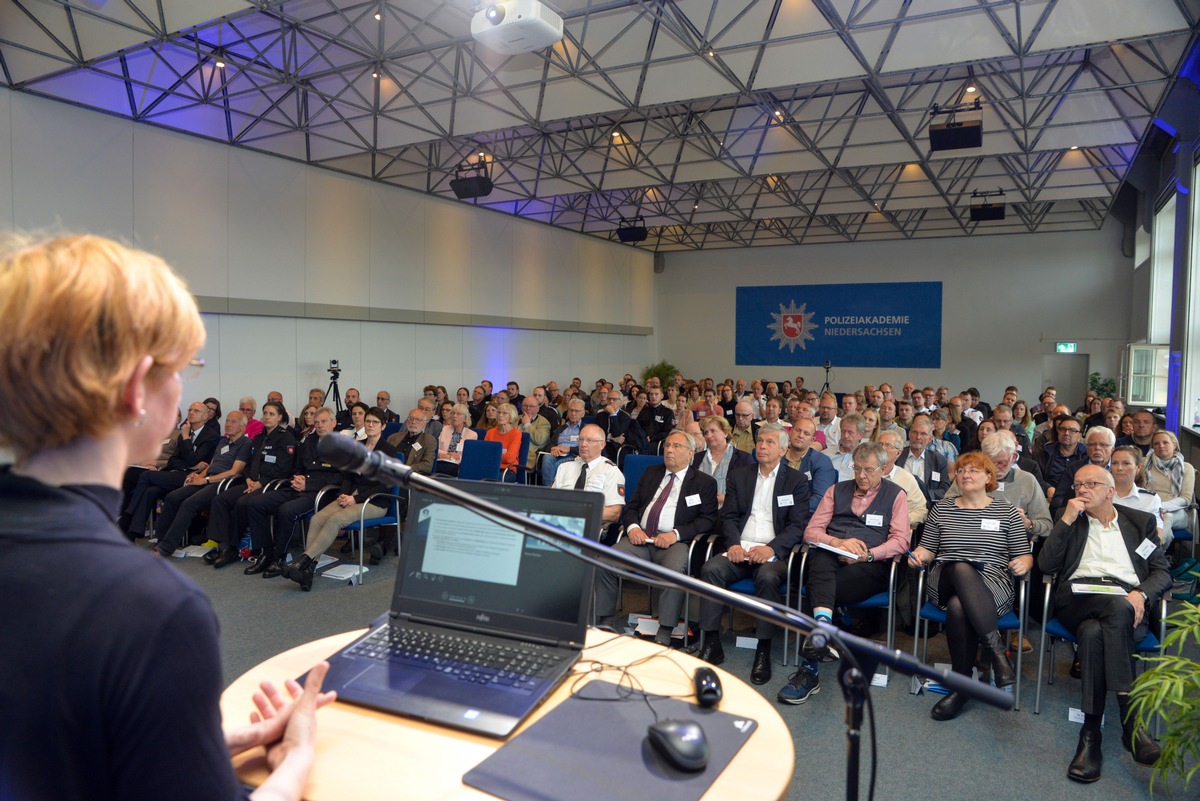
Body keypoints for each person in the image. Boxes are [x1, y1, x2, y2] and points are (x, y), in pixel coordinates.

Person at [0, 233, 332, 800]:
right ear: (136, 390)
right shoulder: (148, 610)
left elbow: (54, 746)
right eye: (185, 368)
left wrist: (198, 740)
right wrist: (297, 760)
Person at [1037, 465, 1170, 783]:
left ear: (1110, 490)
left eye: (1091, 484)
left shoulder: (1140, 522)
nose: (1081, 489)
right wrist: (1066, 519)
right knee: (1111, 610)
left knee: (1094, 633)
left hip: (1126, 607)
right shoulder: (1069, 520)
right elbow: (1046, 565)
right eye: (1078, 484)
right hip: (1078, 598)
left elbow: (1163, 572)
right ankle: (1131, 719)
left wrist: (1141, 593)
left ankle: (1090, 736)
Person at [908, 452, 1032, 720]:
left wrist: (1023, 563)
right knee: (960, 566)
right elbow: (928, 547)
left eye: (974, 470)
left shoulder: (1006, 510)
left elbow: (1023, 553)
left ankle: (961, 685)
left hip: (992, 583)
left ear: (989, 477)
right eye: (962, 470)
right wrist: (919, 555)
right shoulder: (942, 508)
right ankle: (996, 653)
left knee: (958, 607)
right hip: (944, 579)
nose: (965, 475)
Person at [783, 442, 910, 705]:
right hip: (832, 555)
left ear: (884, 469)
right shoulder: (835, 490)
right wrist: (838, 543)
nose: (861, 475)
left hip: (872, 564)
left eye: (868, 470)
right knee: (819, 559)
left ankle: (811, 662)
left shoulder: (896, 495)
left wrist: (869, 554)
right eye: (857, 468)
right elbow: (812, 531)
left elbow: (901, 541)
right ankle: (819, 645)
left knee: (820, 590)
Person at [694, 426, 811, 685]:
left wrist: (771, 548)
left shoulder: (796, 481)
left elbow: (797, 525)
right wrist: (733, 544)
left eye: (769, 442)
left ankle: (763, 648)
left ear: (783, 450)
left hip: (773, 552)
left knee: (768, 577)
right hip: (741, 547)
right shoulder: (740, 475)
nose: (762, 445)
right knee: (710, 569)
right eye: (760, 441)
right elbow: (730, 515)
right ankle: (712, 642)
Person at [594, 430, 719, 645]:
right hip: (641, 539)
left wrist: (676, 534)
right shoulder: (651, 473)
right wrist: (633, 528)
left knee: (673, 573)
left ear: (691, 453)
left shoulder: (703, 482)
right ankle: (605, 621)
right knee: (605, 562)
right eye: (668, 445)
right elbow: (632, 507)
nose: (669, 450)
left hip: (675, 543)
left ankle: (665, 630)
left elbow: (707, 520)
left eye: (676, 446)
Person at [283, 407, 399, 590]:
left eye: (375, 422)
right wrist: (344, 494)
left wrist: (357, 498)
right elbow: (347, 476)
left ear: (383, 426)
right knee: (317, 519)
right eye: (368, 421)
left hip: (375, 500)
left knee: (335, 520)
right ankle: (308, 572)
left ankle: (303, 562)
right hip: (352, 495)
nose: (370, 425)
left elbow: (385, 485)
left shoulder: (389, 451)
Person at [205, 401, 298, 569]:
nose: (267, 417)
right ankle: (225, 546)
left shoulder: (286, 438)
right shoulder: (258, 438)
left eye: (271, 414)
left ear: (279, 417)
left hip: (271, 484)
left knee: (244, 503)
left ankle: (259, 550)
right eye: (265, 413)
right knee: (221, 499)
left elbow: (283, 468)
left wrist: (260, 483)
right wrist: (248, 478)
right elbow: (248, 464)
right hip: (251, 482)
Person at [153, 412, 253, 557]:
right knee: (172, 497)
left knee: (189, 503)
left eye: (233, 422)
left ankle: (166, 547)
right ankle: (161, 540)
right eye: (227, 421)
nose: (228, 424)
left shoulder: (245, 443)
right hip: (208, 479)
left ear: (243, 427)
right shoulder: (223, 441)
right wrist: (198, 476)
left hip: (222, 483)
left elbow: (235, 471)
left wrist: (205, 480)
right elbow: (212, 465)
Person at [551, 423, 625, 538]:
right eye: (580, 439)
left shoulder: (611, 471)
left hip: (590, 527)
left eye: (589, 441)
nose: (583, 444)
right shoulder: (564, 467)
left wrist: (579, 514)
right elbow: (552, 500)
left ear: (602, 444)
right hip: (559, 524)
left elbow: (614, 513)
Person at [1141, 429, 1194, 550]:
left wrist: (1161, 507)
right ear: (1153, 447)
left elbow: (1186, 499)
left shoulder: (1186, 467)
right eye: (1156, 443)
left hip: (1176, 511)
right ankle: (1161, 558)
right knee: (1167, 532)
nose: (1161, 446)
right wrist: (1154, 507)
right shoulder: (1144, 464)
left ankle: (1149, 554)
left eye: (1165, 442)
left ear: (1174, 445)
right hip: (1148, 508)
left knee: (1167, 517)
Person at [693, 414, 754, 506]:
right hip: (699, 511)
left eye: (713, 431)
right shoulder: (696, 459)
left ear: (725, 433)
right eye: (706, 433)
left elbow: (751, 491)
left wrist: (726, 499)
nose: (709, 436)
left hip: (730, 512)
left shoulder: (743, 458)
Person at [436, 403, 478, 477]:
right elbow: (437, 448)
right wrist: (447, 455)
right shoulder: (445, 429)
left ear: (465, 418)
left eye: (458, 414)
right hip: (442, 462)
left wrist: (450, 457)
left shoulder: (472, 435)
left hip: (458, 466)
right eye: (453, 413)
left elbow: (468, 456)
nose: (454, 416)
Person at [486, 402, 524, 481]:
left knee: (492, 480)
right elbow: (485, 454)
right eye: (499, 412)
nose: (500, 415)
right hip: (490, 467)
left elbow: (509, 458)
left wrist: (494, 456)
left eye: (504, 413)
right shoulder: (490, 432)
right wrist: (501, 455)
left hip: (507, 470)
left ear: (511, 417)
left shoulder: (516, 434)